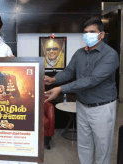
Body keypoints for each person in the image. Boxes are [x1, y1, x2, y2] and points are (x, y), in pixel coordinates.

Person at [44, 18, 119, 164]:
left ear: (102, 34)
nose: (88, 35)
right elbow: (69, 71)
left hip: (102, 108)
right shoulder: (79, 53)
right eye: (85, 32)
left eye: (92, 32)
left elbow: (92, 80)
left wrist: (61, 88)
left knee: (103, 147)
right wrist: (53, 80)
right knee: (84, 145)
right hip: (82, 105)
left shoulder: (110, 55)